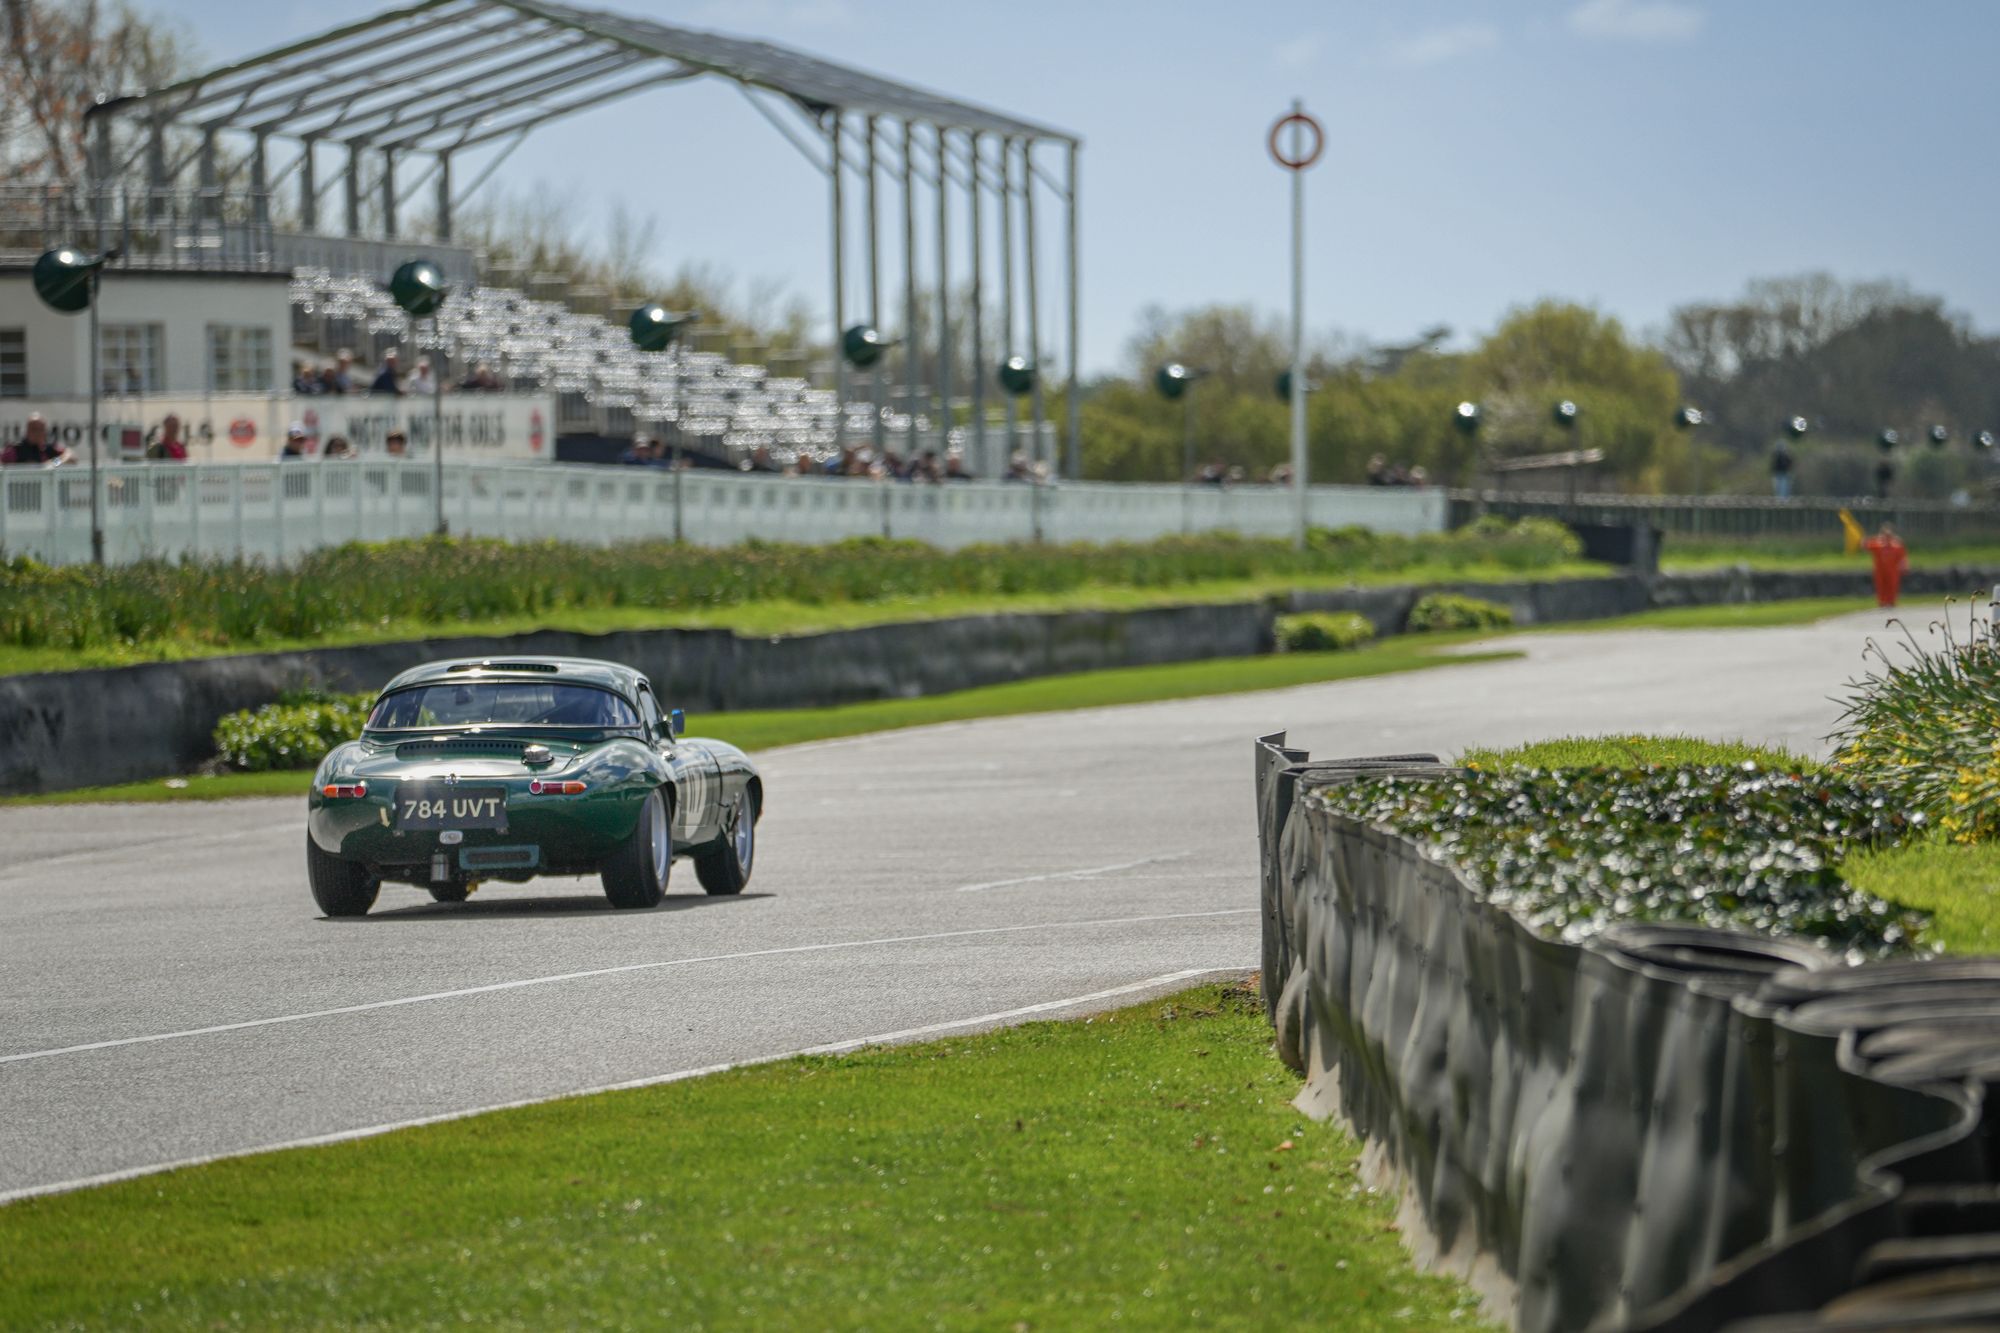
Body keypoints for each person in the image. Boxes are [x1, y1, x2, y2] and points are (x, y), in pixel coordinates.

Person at [1864, 523, 1908, 608]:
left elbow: (1902, 558)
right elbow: (1865, 545)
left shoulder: (1897, 546)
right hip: (1880, 570)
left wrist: (1904, 566)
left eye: (1889, 535)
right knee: (1881, 585)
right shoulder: (1877, 544)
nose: (1887, 537)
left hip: (1893, 570)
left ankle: (1891, 601)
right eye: (1885, 534)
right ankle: (1882, 601)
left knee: (1892, 585)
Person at [3, 413, 72, 466]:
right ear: (27, 431)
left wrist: (53, 463)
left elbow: (70, 455)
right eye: (34, 429)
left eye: (41, 429)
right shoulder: (16, 450)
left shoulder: (49, 449)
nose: (37, 433)